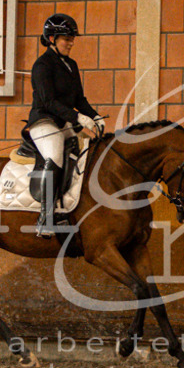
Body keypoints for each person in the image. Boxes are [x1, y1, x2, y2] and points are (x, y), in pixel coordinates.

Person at [26, 13, 104, 238]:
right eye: (66, 39)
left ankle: (70, 207)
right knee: (55, 156)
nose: (71, 43)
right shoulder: (42, 65)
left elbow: (79, 99)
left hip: (64, 122)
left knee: (83, 155)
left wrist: (95, 116)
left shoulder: (71, 64)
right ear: (52, 39)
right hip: (44, 121)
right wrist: (78, 118)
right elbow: (48, 102)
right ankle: (45, 218)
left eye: (72, 39)